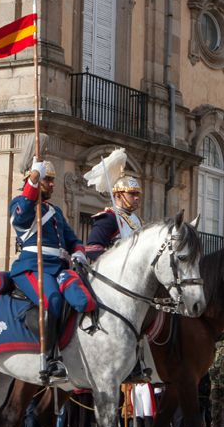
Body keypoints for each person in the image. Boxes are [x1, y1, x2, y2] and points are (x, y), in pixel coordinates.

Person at [8, 158, 89, 380]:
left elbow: (72, 238)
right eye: (48, 180)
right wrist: (34, 179)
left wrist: (79, 252)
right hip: (32, 267)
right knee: (51, 299)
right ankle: (50, 358)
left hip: (58, 267)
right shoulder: (19, 202)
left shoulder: (55, 211)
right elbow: (21, 215)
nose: (52, 184)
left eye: (52, 180)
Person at [85, 174, 143, 257]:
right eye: (132, 194)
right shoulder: (109, 217)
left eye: (137, 194)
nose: (137, 198)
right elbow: (93, 248)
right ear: (118, 195)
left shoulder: (138, 220)